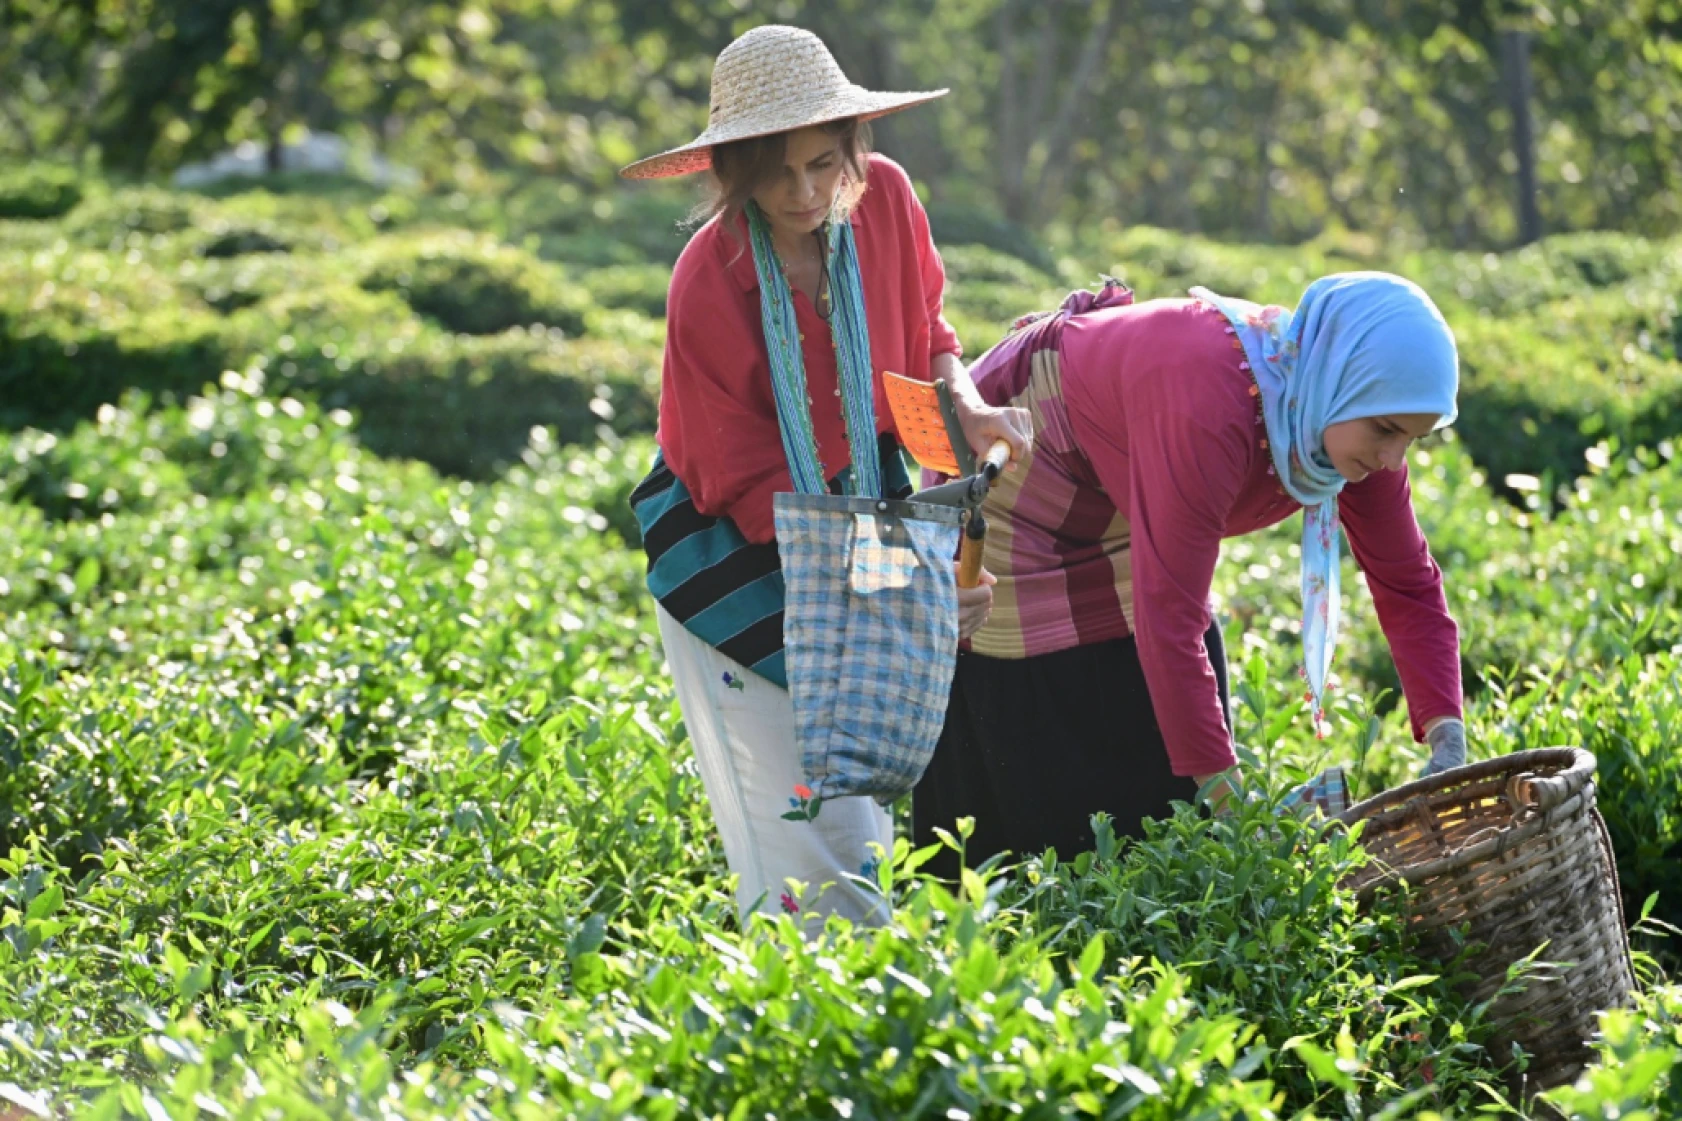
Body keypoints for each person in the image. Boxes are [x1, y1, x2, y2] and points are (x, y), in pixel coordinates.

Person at [620, 25, 1030, 925]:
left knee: (861, 799)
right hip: (737, 550)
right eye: (775, 171)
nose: (804, 192)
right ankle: (795, 1026)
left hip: (861, 509)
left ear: (853, 146)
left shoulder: (884, 200)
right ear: (732, 170)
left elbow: (928, 333)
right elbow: (736, 476)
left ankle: (857, 1022)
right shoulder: (709, 275)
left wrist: (967, 404)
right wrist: (902, 581)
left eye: (821, 162)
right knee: (793, 817)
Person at [913, 272, 1469, 875]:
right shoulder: (1213, 401)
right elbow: (1168, 622)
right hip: (1029, 459)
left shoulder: (1349, 411)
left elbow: (1407, 582)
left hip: (1123, 485)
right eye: (1386, 433)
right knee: (1064, 720)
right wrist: (1236, 817)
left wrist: (1447, 733)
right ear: (1339, 376)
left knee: (1166, 762)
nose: (1392, 459)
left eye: (1413, 439)